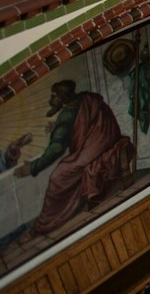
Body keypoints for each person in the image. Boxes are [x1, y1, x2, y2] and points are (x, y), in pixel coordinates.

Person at [9, 80, 135, 240]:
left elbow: (56, 149)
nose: (51, 100)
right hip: (107, 138)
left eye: (54, 96)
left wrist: (33, 167)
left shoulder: (67, 114)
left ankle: (45, 224)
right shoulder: (84, 98)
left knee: (58, 176)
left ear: (62, 98)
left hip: (96, 147)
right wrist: (59, 127)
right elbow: (81, 123)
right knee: (70, 167)